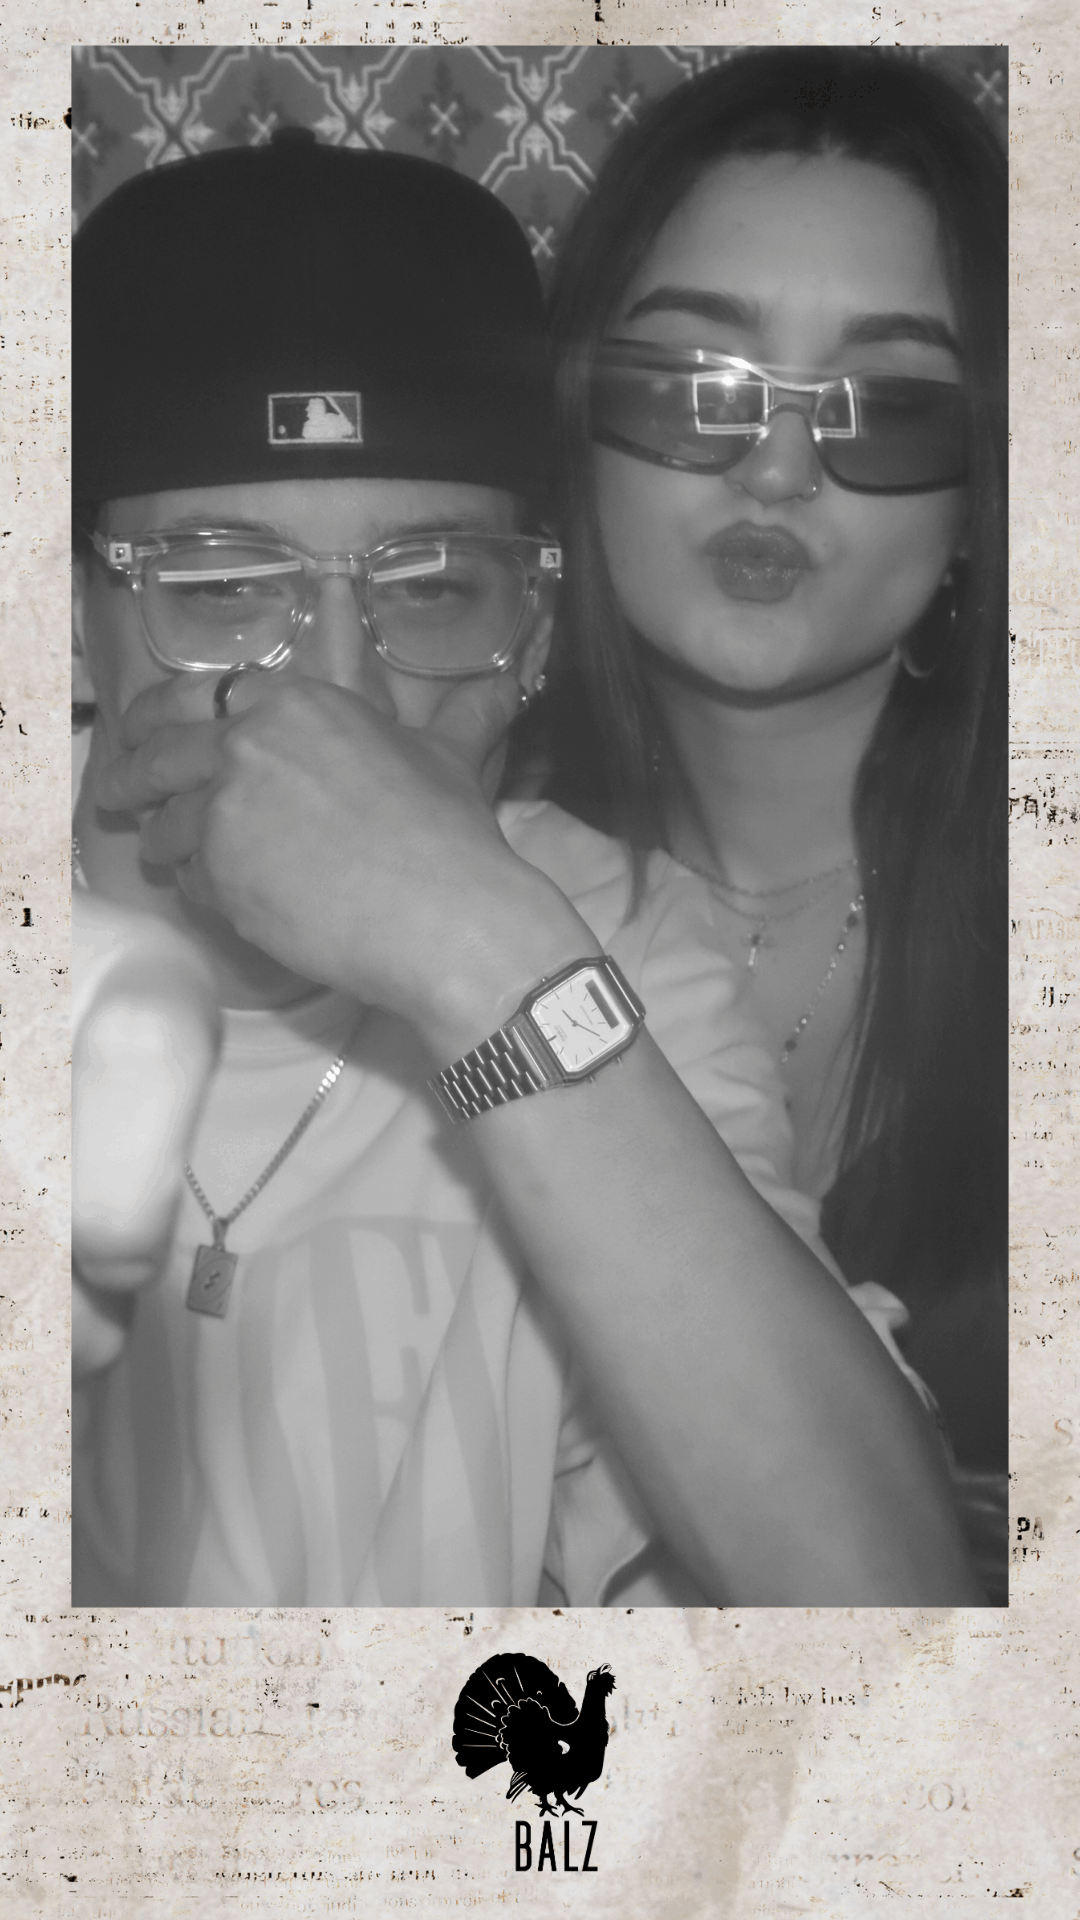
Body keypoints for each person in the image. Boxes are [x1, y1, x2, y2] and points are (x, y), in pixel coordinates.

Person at [72, 131, 982, 1608]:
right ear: (65, 620)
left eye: (436, 591)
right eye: (223, 590)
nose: (343, 703)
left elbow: (885, 1614)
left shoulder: (613, 944)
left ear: (538, 632)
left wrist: (472, 956)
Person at [543, 48, 1007, 1595]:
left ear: (979, 502)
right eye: (698, 386)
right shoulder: (470, 873)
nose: (778, 465)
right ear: (577, 423)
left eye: (889, 409)